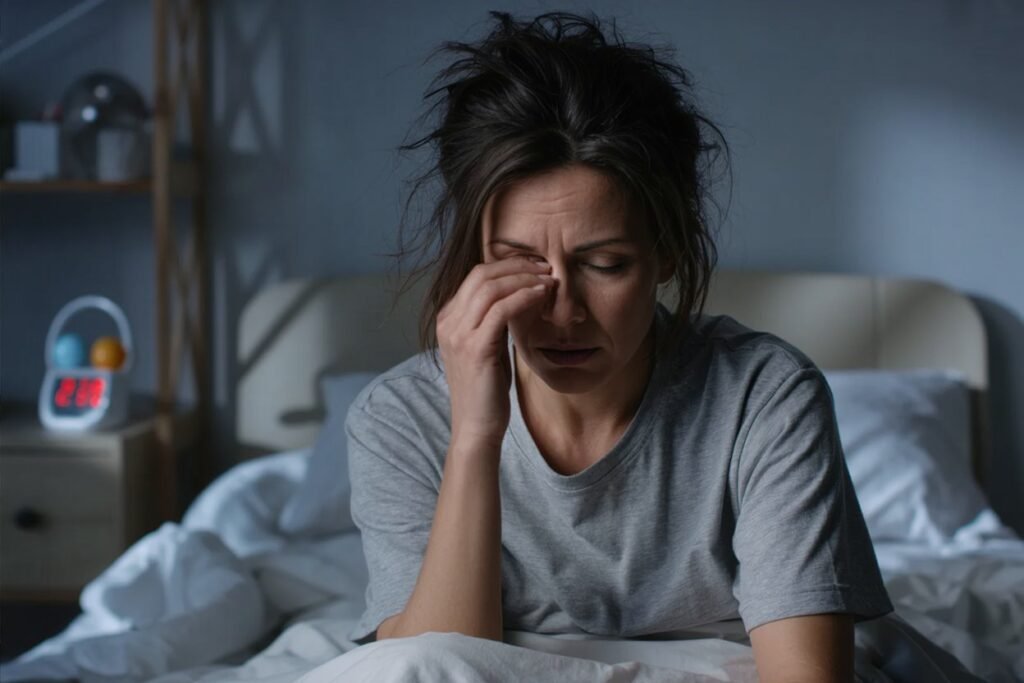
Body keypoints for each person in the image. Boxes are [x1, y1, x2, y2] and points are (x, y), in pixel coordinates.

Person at [346, 11, 893, 681]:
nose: (562, 312)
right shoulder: (397, 418)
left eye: (604, 264)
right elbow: (430, 665)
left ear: (667, 250)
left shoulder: (763, 395)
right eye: (518, 263)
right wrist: (474, 437)